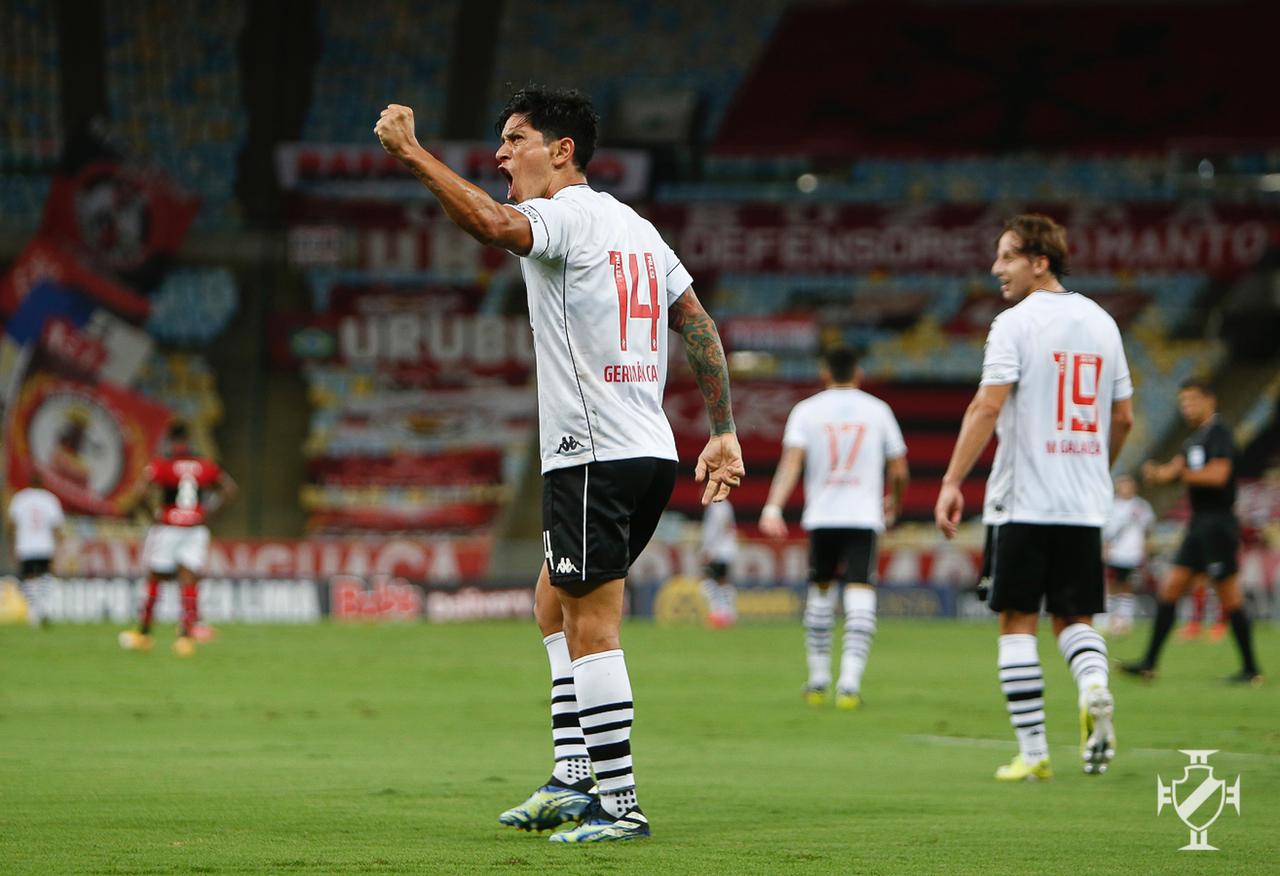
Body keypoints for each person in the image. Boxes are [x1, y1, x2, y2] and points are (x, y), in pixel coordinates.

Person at [375, 86, 744, 843]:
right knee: (552, 602)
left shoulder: (566, 216)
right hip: (649, 452)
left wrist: (413, 155)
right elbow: (696, 322)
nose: (502, 154)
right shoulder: (637, 228)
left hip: (591, 455)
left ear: (561, 150)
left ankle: (621, 803)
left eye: (515, 140)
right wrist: (723, 430)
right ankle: (573, 777)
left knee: (592, 624)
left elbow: (489, 222)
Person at [934, 214, 1134, 781]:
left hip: (1022, 503)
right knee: (1076, 617)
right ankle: (1094, 684)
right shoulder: (1103, 323)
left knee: (1017, 621)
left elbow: (988, 406)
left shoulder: (1014, 324)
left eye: (1007, 257)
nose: (996, 269)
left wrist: (952, 480)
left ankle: (1034, 751)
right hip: (1083, 504)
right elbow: (1124, 416)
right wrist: (1096, 466)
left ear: (1040, 261)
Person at [759, 347, 908, 711]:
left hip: (822, 516)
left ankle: (818, 679)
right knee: (860, 591)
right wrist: (895, 502)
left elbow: (791, 463)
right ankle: (850, 684)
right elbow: (900, 469)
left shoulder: (807, 411)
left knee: (821, 592)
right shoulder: (878, 411)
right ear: (858, 371)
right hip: (863, 516)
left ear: (824, 372)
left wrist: (773, 506)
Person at [1121, 379, 1262, 684]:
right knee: (1170, 588)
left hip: (1219, 524)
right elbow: (1177, 470)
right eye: (1183, 401)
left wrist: (1179, 473)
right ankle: (1148, 663)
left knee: (1229, 596)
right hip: (1199, 524)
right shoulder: (1194, 439)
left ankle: (1251, 669)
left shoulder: (1220, 433)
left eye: (1193, 400)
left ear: (1210, 400)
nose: (1187, 407)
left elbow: (1218, 475)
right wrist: (1158, 473)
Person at [119, 422, 236, 657]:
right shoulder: (205, 465)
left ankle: (144, 633)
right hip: (195, 527)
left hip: (169, 526)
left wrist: (152, 515)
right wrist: (208, 515)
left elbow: (141, 492)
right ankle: (185, 638)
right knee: (189, 578)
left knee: (155, 578)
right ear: (189, 440)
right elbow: (229, 489)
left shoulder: (163, 465)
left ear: (171, 440)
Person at [6, 472, 66, 626]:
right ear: (43, 482)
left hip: (25, 545)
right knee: (46, 577)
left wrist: (11, 543)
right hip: (45, 545)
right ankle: (42, 606)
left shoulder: (20, 498)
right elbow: (57, 526)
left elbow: (11, 524)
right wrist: (61, 543)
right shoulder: (49, 499)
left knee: (29, 578)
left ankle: (34, 609)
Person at [1101, 474, 1154, 636]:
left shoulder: (1141, 506)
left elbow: (1148, 528)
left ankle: (1125, 618)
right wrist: (1105, 547)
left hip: (1132, 553)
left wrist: (1145, 547)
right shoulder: (1111, 505)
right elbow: (1106, 529)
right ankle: (1107, 617)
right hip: (1115, 552)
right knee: (1110, 584)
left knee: (1127, 586)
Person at [700, 498, 738, 628]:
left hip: (719, 550)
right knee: (722, 582)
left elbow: (716, 528)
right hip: (726, 549)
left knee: (711, 581)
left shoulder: (718, 506)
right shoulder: (726, 505)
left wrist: (707, 549)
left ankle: (721, 614)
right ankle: (725, 614)